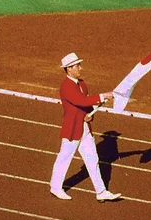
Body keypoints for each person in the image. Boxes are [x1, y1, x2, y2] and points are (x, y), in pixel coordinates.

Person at [49, 52, 121, 202]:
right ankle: (55, 187)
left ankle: (101, 191)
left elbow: (85, 106)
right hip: (72, 129)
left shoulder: (82, 84)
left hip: (85, 128)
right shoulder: (66, 87)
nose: (80, 68)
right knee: (64, 157)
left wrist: (90, 115)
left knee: (93, 159)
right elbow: (81, 101)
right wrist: (103, 96)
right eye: (77, 66)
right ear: (69, 69)